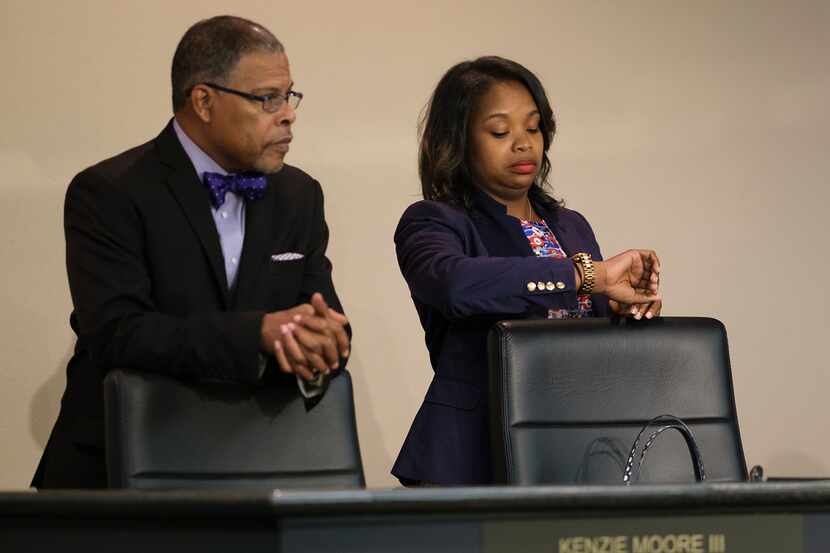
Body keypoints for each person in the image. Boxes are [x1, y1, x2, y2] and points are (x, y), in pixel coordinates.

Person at [32, 15, 350, 489]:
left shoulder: (299, 195)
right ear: (203, 101)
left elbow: (318, 313)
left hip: (255, 464)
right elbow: (118, 332)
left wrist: (327, 338)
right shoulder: (109, 192)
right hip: (118, 474)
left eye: (289, 96)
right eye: (268, 98)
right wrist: (257, 333)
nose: (288, 114)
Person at [392, 56, 662, 486]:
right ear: (458, 141)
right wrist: (584, 277)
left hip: (570, 450)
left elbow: (585, 336)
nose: (522, 143)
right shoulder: (432, 221)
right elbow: (455, 285)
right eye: (500, 131)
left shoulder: (571, 226)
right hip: (472, 456)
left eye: (533, 127)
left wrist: (624, 315)